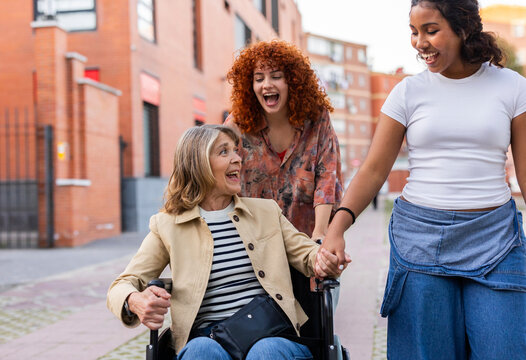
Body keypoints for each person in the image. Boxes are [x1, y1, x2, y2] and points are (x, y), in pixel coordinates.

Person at [322, 0, 526, 359]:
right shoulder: (407, 92)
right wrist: (337, 229)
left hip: (495, 239)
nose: (419, 43)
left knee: (505, 349)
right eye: (414, 32)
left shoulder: (511, 87)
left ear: (463, 28)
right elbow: (372, 169)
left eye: (431, 30)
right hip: (422, 242)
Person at [107, 125, 344, 359]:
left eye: (235, 151)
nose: (237, 159)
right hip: (208, 339)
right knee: (201, 351)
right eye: (224, 152)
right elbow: (122, 284)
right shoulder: (168, 226)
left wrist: (325, 259)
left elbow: (309, 255)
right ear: (198, 163)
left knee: (266, 351)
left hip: (272, 333)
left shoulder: (266, 212)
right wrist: (134, 300)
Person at [225, 41, 350, 333]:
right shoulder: (238, 126)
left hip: (306, 241)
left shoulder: (316, 118)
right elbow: (216, 175)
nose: (267, 84)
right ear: (250, 85)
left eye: (276, 76)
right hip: (255, 249)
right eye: (258, 78)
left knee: (315, 328)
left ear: (293, 80)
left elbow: (327, 177)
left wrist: (319, 235)